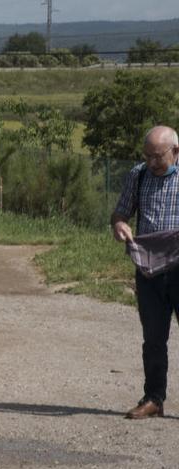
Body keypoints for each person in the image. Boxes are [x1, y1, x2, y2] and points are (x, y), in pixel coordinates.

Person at [111, 125, 179, 420]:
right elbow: (120, 212)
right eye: (147, 156)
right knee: (153, 337)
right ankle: (154, 399)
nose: (152, 162)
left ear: (176, 152)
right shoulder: (138, 175)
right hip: (149, 271)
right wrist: (120, 225)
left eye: (158, 156)